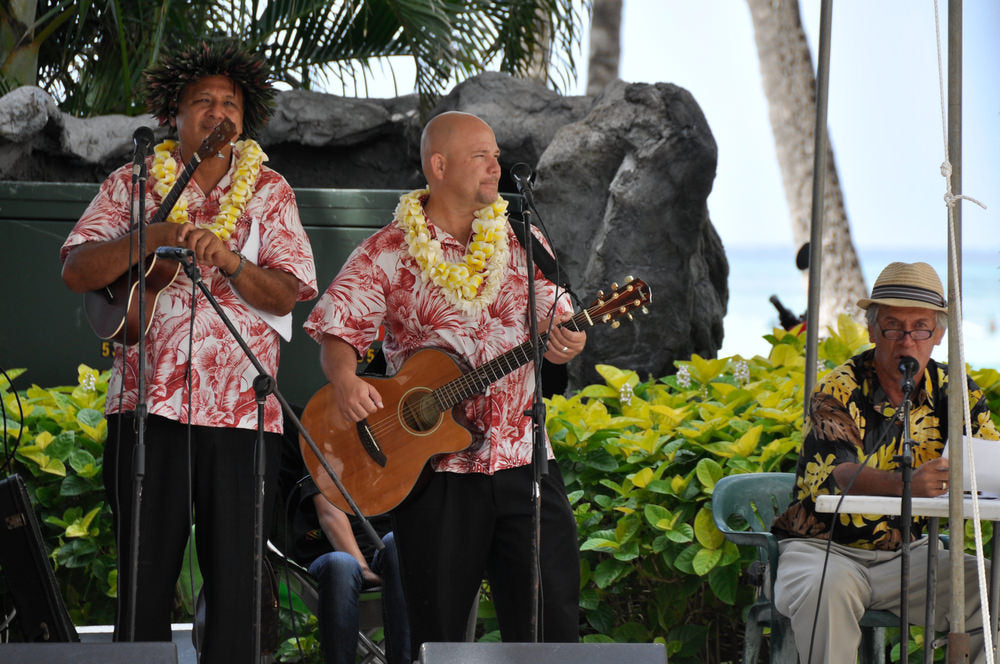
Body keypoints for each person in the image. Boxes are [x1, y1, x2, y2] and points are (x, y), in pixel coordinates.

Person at [60, 40, 317, 662]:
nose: (218, 112)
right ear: (174, 114)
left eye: (230, 102)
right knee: (143, 583)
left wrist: (229, 259)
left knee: (238, 582)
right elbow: (77, 269)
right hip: (148, 410)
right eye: (203, 101)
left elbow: (287, 294)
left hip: (241, 414)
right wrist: (153, 234)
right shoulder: (133, 181)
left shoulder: (270, 192)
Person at [303, 111, 584, 659]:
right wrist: (344, 379)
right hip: (435, 474)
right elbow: (337, 330)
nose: (496, 167)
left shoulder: (522, 238)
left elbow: (558, 316)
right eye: (483, 156)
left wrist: (567, 340)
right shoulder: (388, 250)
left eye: (496, 155)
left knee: (553, 629)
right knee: (438, 637)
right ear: (439, 165)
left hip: (523, 461)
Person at [770, 261, 1000, 664]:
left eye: (921, 328)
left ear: (938, 335)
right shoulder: (838, 388)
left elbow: (991, 461)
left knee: (991, 589)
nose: (907, 341)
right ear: (873, 331)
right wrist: (906, 483)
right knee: (827, 589)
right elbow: (839, 473)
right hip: (823, 550)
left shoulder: (956, 390)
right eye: (894, 327)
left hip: (909, 555)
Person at [275, 410, 409, 664]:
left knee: (395, 543)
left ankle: (403, 659)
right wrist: (361, 565)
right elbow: (328, 513)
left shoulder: (398, 448)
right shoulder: (324, 445)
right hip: (331, 551)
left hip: (385, 548)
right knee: (342, 565)